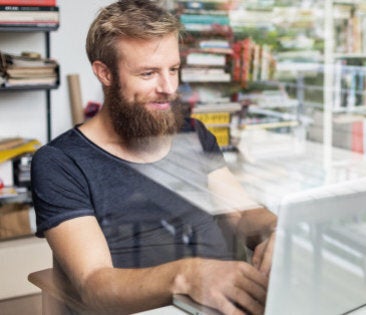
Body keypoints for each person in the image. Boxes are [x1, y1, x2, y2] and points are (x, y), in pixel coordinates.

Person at [30, 1, 276, 314]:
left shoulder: (193, 134)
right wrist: (188, 276)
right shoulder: (60, 162)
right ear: (104, 73)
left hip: (222, 304)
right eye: (148, 73)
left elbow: (242, 214)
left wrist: (277, 230)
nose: (169, 88)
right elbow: (95, 284)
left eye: (173, 69)